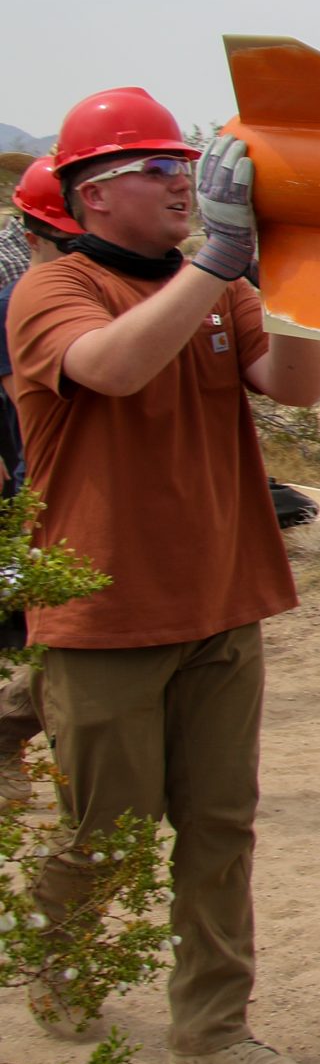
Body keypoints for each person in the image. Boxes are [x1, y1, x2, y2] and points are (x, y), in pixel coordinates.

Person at [6, 89, 320, 1064]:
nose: (182, 183)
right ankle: (58, 962)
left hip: (224, 598)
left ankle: (214, 1026)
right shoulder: (58, 290)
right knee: (112, 826)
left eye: (185, 166)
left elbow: (297, 386)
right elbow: (112, 370)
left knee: (221, 824)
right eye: (156, 170)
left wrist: (308, 280)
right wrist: (217, 265)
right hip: (106, 614)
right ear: (94, 197)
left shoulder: (218, 284)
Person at [0, 157, 82, 808]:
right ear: (34, 235)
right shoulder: (22, 302)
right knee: (64, 631)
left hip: (72, 489)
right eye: (67, 239)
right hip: (48, 491)